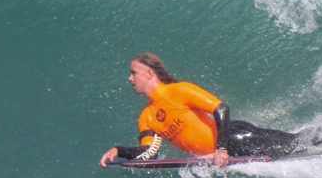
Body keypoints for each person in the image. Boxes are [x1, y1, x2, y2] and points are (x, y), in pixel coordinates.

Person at [98, 53, 299, 167]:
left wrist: (222, 149)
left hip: (238, 138)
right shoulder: (147, 117)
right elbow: (149, 153)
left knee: (301, 145)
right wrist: (119, 151)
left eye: (133, 73)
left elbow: (221, 109)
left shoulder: (179, 90)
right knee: (296, 150)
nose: (130, 79)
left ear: (149, 73)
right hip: (223, 153)